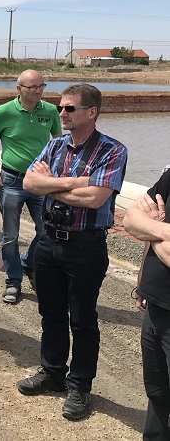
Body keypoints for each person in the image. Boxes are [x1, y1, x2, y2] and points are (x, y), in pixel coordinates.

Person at [18, 83, 127, 421]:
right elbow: (29, 183)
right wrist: (77, 181)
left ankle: (79, 385)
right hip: (49, 242)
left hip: (85, 246)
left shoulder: (112, 150)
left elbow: (95, 199)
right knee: (50, 314)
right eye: (60, 107)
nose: (61, 113)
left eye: (69, 108)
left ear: (91, 112)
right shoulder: (55, 145)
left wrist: (52, 185)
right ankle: (53, 373)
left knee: (82, 320)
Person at [0, 70, 61, 304]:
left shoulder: (50, 111)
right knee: (10, 236)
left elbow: (59, 141)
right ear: (19, 89)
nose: (38, 91)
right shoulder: (4, 111)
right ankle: (13, 281)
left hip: (40, 182)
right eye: (32, 87)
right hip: (12, 181)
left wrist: (57, 173)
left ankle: (28, 263)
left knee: (46, 231)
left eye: (41, 86)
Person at [123, 171, 170, 440]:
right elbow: (130, 218)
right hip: (155, 306)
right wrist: (162, 231)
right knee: (156, 392)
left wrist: (150, 229)